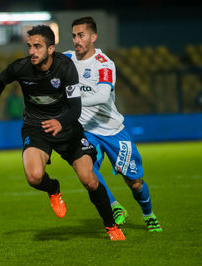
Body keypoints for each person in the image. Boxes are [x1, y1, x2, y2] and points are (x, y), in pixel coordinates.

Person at [0, 25, 125, 240]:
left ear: (50, 49)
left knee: (89, 180)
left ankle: (112, 227)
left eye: (37, 46)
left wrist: (61, 122)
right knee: (34, 177)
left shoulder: (65, 67)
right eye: (30, 46)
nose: (32, 51)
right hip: (36, 127)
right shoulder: (20, 68)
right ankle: (53, 188)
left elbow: (75, 108)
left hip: (67, 128)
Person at [64, 17, 162, 232]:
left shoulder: (104, 64)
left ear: (93, 37)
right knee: (85, 170)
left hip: (112, 130)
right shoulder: (66, 59)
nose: (76, 40)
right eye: (74, 35)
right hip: (86, 130)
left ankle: (148, 213)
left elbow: (101, 96)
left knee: (134, 182)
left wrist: (71, 101)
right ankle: (114, 206)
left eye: (81, 35)